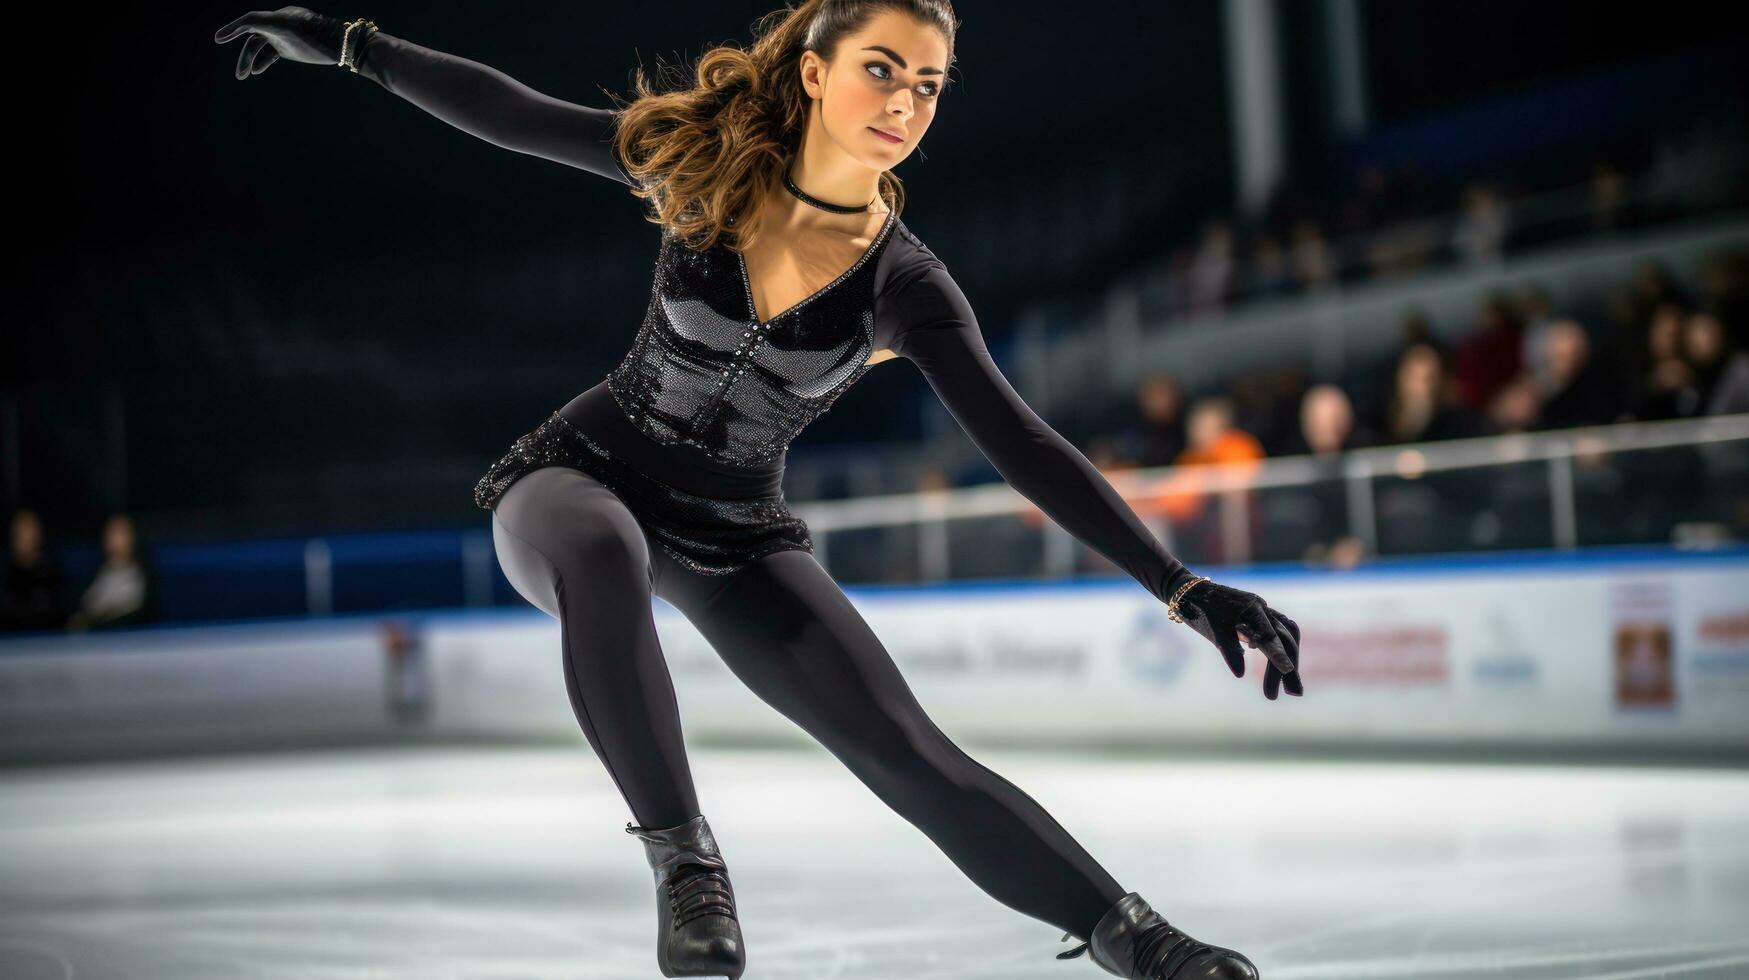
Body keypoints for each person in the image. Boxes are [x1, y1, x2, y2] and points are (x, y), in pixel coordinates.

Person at [215, 4, 1303, 978]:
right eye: (885, 70)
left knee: (908, 749)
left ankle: (1136, 936)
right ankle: (687, 866)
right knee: (602, 550)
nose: (908, 104)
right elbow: (512, 113)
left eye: (929, 85)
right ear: (818, 71)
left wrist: (1180, 582)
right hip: (577, 475)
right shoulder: (701, 166)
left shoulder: (907, 286)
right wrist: (355, 45)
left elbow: (1022, 440)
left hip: (736, 529)